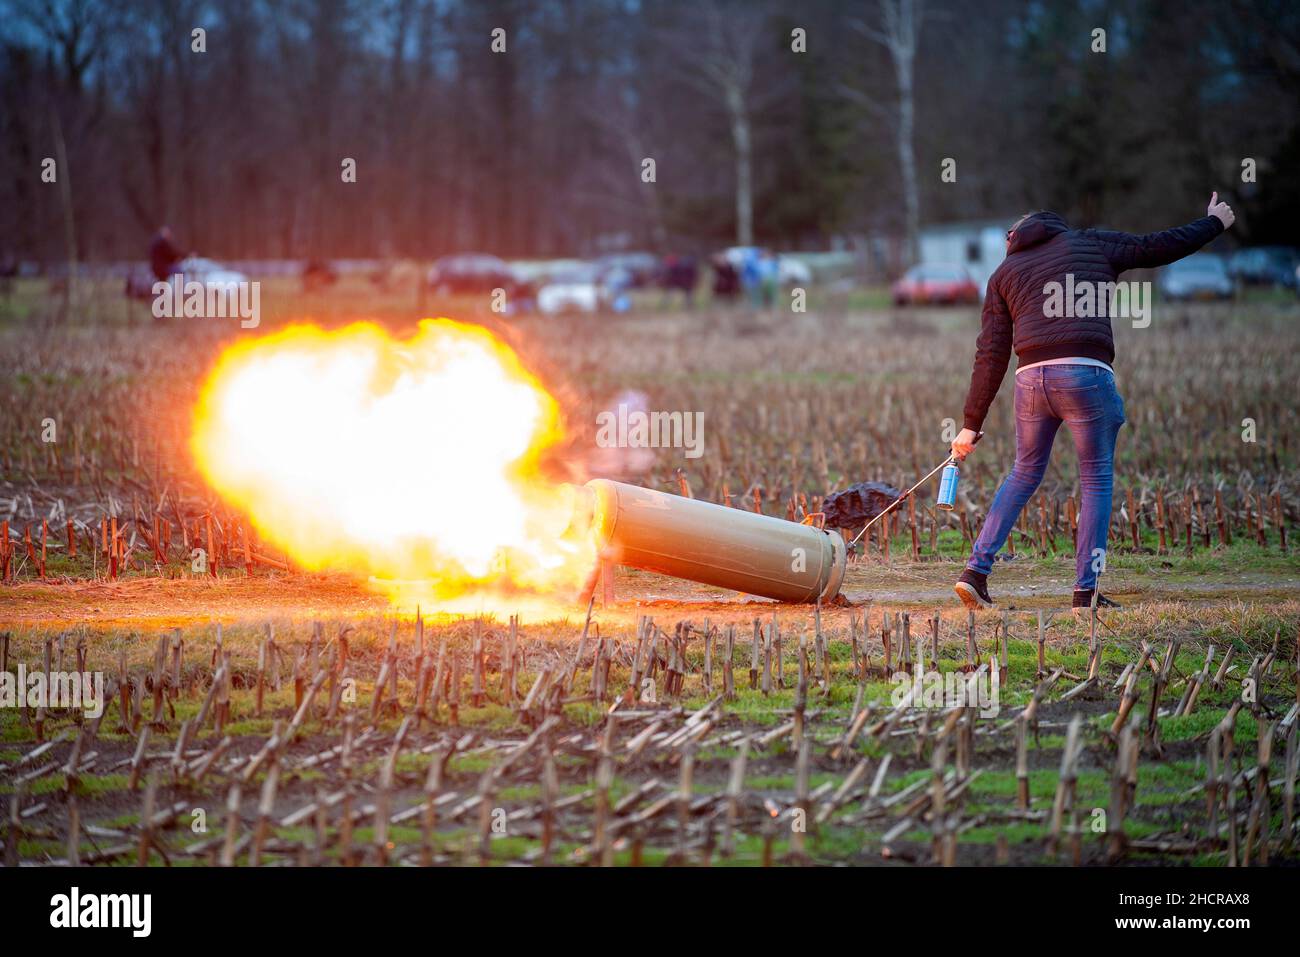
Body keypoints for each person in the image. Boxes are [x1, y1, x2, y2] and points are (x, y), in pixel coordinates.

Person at [952, 193, 1235, 613]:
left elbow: (991, 354)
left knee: (1023, 473)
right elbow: (1158, 245)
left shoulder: (1003, 273)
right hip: (1085, 373)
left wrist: (971, 424)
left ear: (1013, 237)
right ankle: (1086, 592)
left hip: (1031, 379)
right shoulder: (1091, 243)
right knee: (1097, 480)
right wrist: (1214, 222)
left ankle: (975, 573)